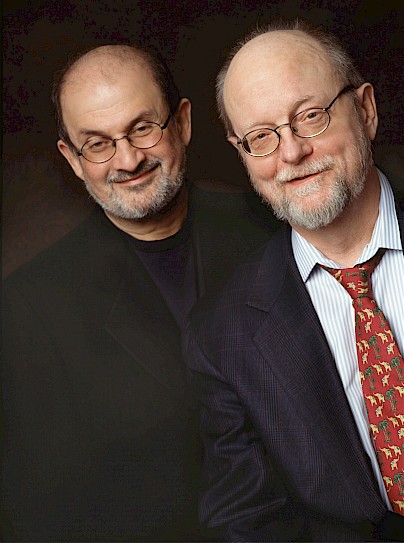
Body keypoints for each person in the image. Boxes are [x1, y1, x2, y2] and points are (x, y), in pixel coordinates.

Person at [1, 44, 278, 541]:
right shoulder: (26, 309)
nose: (127, 159)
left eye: (143, 127)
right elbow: (42, 509)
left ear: (184, 122)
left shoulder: (272, 227)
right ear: (71, 157)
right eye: (98, 143)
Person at [184, 19, 404, 542]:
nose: (291, 153)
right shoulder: (223, 333)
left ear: (367, 110)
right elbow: (245, 522)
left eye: (310, 117)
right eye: (261, 137)